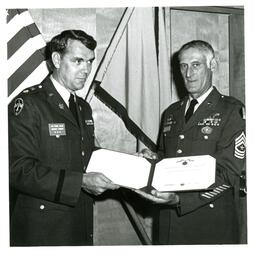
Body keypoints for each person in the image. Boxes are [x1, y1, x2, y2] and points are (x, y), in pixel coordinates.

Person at [8, 30, 119, 246]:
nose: (86, 69)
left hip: (79, 220)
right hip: (42, 228)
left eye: (89, 61)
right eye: (78, 61)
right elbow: (17, 169)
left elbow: (84, 153)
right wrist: (80, 182)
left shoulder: (82, 107)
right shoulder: (29, 104)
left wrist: (131, 163)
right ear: (57, 60)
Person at [135, 40, 246, 244]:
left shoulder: (232, 110)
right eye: (183, 66)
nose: (188, 73)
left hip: (209, 223)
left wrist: (180, 200)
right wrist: (153, 159)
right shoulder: (171, 112)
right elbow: (168, 157)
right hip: (168, 221)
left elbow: (229, 173)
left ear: (212, 65)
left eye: (196, 65)